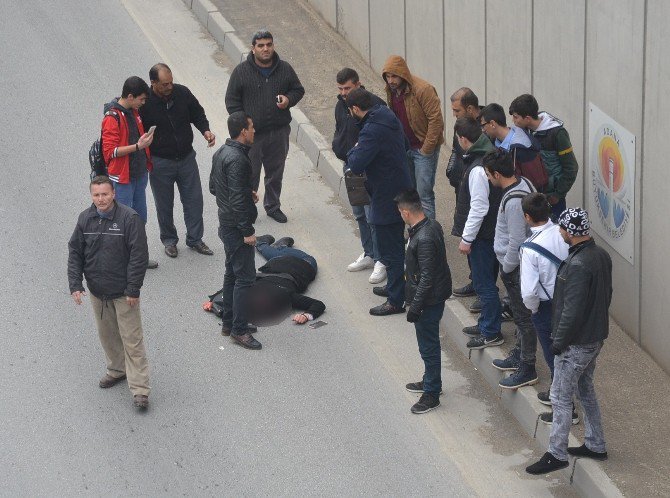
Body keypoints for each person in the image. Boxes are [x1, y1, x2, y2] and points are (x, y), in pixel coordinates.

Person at [526, 207, 612, 475]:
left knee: (560, 396)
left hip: (576, 342)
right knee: (585, 390)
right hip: (594, 337)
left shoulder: (577, 265)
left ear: (571, 232)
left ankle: (556, 454)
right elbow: (606, 295)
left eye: (562, 229)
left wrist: (558, 343)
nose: (560, 233)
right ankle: (595, 444)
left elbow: (571, 311)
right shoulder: (601, 256)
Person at [67, 176, 151, 409]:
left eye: (105, 194)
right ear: (91, 196)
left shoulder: (129, 219)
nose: (101, 199)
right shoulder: (85, 219)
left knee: (132, 341)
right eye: (96, 195)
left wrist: (133, 289)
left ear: (113, 193)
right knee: (108, 336)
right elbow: (75, 252)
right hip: (98, 293)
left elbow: (138, 256)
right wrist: (76, 284)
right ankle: (116, 370)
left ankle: (140, 389)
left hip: (125, 294)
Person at [225, 30, 305, 223]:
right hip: (251, 136)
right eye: (260, 45)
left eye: (268, 44)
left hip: (278, 132)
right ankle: (246, 209)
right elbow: (232, 102)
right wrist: (244, 126)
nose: (265, 48)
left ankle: (272, 206)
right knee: (248, 173)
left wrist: (288, 99)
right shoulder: (241, 72)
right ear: (253, 49)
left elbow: (298, 90)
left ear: (273, 46)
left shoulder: (284, 68)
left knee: (275, 172)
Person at [346, 88, 412, 316]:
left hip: (386, 195)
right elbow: (403, 144)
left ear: (355, 109)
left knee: (389, 248)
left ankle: (396, 300)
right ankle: (397, 287)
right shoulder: (386, 115)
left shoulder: (372, 131)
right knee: (393, 244)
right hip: (398, 188)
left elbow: (355, 163)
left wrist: (354, 150)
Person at [140, 63, 215, 259]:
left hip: (186, 159)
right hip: (160, 162)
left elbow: (197, 113)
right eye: (165, 84)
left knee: (194, 200)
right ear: (153, 83)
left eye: (171, 82)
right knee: (164, 204)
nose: (169, 87)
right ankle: (169, 241)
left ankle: (195, 239)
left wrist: (205, 130)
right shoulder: (144, 103)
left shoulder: (182, 93)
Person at [483, 150, 537, 389]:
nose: (487, 179)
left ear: (496, 174)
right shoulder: (524, 183)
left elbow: (517, 240)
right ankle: (519, 353)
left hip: (515, 268)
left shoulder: (514, 202)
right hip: (518, 266)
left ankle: (527, 366)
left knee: (523, 318)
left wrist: (506, 268)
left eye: (488, 175)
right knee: (521, 316)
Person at [397, 190, 452, 414]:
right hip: (430, 297)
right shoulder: (428, 226)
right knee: (428, 345)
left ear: (407, 212)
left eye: (400, 213)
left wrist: (415, 307)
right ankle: (430, 379)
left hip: (428, 301)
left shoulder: (425, 237)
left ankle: (432, 393)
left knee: (428, 346)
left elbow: (427, 276)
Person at [209, 112, 261, 350]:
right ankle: (239, 330)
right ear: (242, 131)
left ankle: (229, 323)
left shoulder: (221, 152)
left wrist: (242, 190)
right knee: (245, 278)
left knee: (232, 273)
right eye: (251, 128)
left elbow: (213, 187)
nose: (253, 131)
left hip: (226, 222)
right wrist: (247, 231)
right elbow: (237, 202)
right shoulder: (239, 159)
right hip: (236, 227)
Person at [451, 117, 503, 348]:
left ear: (463, 139)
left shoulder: (477, 169)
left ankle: (491, 332)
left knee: (484, 285)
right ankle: (485, 324)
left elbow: (479, 207)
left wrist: (466, 238)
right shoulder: (485, 158)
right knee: (487, 282)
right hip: (490, 232)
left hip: (482, 236)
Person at [332, 67, 387, 284]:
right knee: (359, 213)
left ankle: (382, 260)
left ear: (358, 84)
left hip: (369, 168)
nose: (344, 93)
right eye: (340, 89)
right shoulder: (340, 104)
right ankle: (369, 253)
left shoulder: (375, 104)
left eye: (347, 88)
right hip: (350, 165)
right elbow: (340, 129)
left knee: (373, 215)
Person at [101, 76, 157, 269]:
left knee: (140, 218)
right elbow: (110, 152)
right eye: (141, 99)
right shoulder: (112, 118)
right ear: (131, 96)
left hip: (139, 174)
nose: (143, 103)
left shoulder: (134, 112)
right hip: (123, 178)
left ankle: (139, 258)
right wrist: (137, 146)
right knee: (123, 221)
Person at [519, 193, 569, 407]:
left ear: (527, 217)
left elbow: (529, 292)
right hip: (569, 300)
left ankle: (562, 401)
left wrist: (533, 310)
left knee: (552, 353)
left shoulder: (530, 248)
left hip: (546, 306)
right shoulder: (563, 234)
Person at [382, 56, 444, 220]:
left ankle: (429, 236)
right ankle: (416, 231)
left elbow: (436, 120)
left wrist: (426, 149)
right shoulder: (391, 90)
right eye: (388, 77)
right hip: (405, 148)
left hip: (423, 149)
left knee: (424, 194)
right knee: (410, 193)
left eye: (394, 76)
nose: (391, 81)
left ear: (403, 74)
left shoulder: (423, 89)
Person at [509, 94, 579, 219]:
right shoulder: (525, 130)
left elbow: (571, 168)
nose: (513, 121)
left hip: (551, 199)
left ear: (528, 118)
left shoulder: (557, 134)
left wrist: (557, 195)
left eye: (516, 117)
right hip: (530, 194)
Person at [246, 235, 326, 326]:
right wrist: (306, 316)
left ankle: (277, 247)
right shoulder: (286, 295)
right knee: (279, 252)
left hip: (280, 261)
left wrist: (306, 316)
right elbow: (318, 305)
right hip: (298, 263)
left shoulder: (284, 295)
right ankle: (275, 246)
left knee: (280, 253)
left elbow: (318, 304)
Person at [447, 88, 481, 299]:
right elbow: (455, 151)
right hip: (462, 188)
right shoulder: (460, 125)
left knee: (477, 242)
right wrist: (452, 171)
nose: (454, 114)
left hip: (477, 193)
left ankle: (482, 287)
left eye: (457, 110)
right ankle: (474, 280)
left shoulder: (486, 127)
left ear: (470, 108)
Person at [479, 103, 546, 192]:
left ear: (492, 124)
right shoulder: (494, 143)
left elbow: (535, 183)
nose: (483, 130)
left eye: (483, 125)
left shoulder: (523, 148)